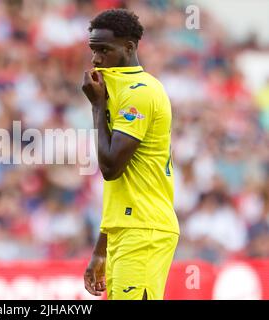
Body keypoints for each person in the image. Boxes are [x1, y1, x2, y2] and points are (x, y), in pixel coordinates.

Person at [81, 9, 180, 300]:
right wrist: (102, 249)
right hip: (127, 227)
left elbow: (111, 168)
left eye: (104, 50)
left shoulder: (140, 92)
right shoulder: (116, 88)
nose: (96, 58)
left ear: (129, 47)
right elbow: (120, 188)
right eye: (93, 50)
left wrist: (97, 108)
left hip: (144, 230)